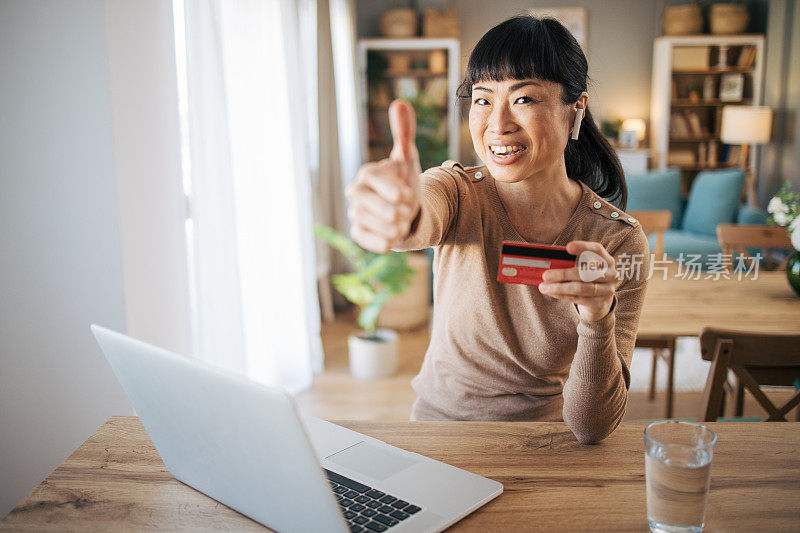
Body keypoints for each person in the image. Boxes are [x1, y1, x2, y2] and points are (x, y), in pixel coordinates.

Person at [345, 16, 650, 444]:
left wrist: (598, 318)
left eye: (524, 99)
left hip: (542, 447)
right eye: (483, 99)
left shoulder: (616, 240)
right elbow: (420, 214)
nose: (497, 123)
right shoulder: (456, 192)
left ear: (575, 109)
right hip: (439, 436)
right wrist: (398, 214)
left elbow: (592, 428)